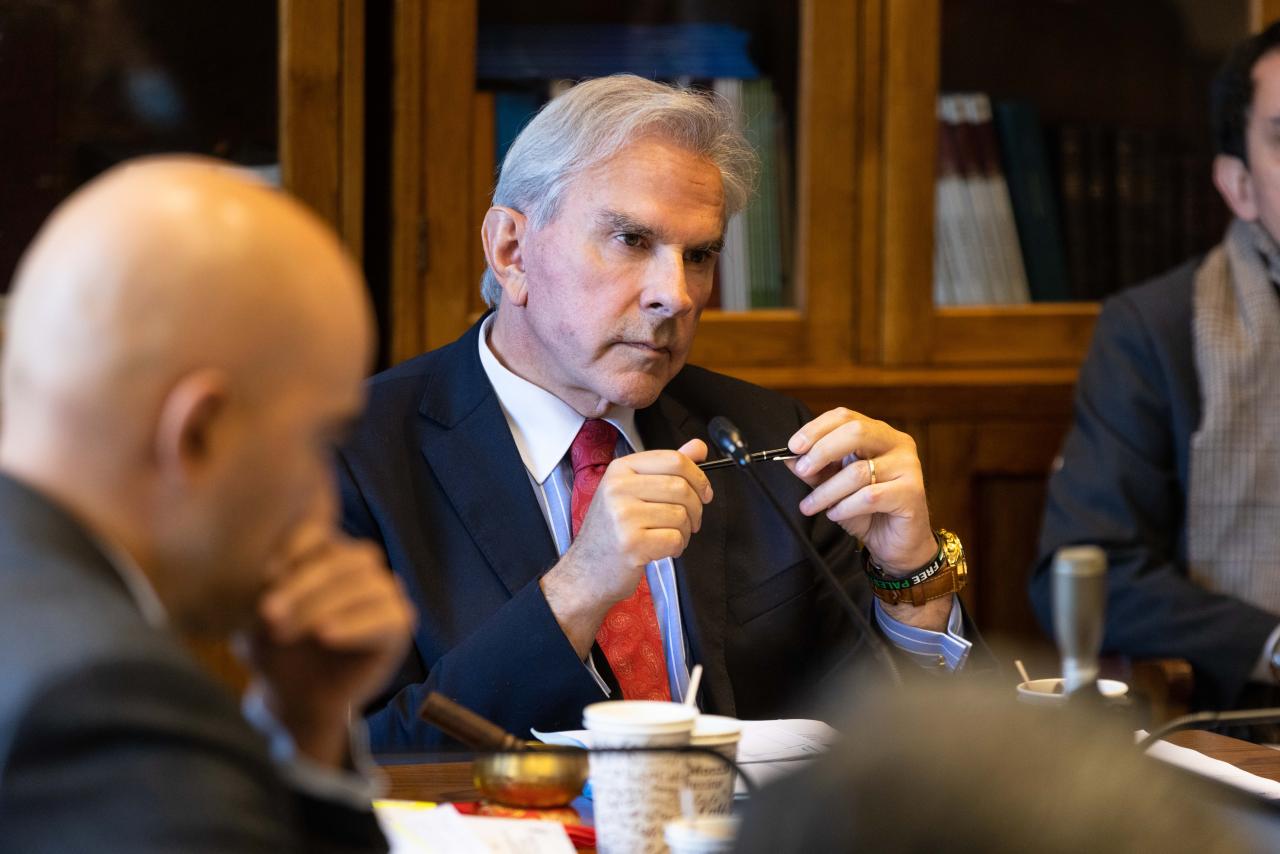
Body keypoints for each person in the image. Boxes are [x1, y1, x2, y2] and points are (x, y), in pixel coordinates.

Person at [339, 74, 977, 751]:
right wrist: (576, 591)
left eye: (699, 255)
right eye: (631, 240)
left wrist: (911, 578)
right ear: (511, 251)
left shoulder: (768, 436)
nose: (677, 295)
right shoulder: (353, 456)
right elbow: (352, 756)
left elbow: (908, 757)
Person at [0, 158, 416, 852]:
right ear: (197, 433)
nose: (323, 506)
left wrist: (306, 731)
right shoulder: (107, 712)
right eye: (321, 441)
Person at [1031, 23, 1280, 714]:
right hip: (1253, 724)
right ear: (1239, 185)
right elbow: (1088, 570)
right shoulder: (1157, 330)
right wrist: (1272, 645)